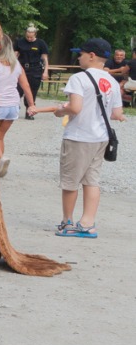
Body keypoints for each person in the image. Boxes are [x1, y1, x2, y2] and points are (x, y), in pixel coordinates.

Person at [27, 38, 124, 238]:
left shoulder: (79, 78)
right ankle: (87, 223)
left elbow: (76, 108)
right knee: (92, 180)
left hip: (79, 136)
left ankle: (67, 221)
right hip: (101, 137)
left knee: (71, 181)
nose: (78, 57)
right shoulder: (112, 82)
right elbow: (116, 114)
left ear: (91, 55)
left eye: (80, 54)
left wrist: (62, 111)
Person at [0, 36, 32, 178]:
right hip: (13, 106)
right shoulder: (16, 65)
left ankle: (0, 159)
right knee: (0, 137)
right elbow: (25, 85)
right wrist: (31, 105)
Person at [14, 24, 48, 116]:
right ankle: (15, 108)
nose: (29, 39)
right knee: (18, 89)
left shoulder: (41, 43)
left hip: (35, 69)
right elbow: (15, 55)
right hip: (22, 68)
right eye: (27, 37)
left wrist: (46, 71)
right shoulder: (19, 42)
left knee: (32, 91)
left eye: (31, 37)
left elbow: (45, 58)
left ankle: (29, 110)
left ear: (35, 35)